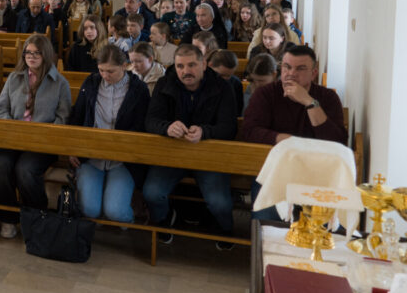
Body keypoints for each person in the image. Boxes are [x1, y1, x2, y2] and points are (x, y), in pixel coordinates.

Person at [143, 44, 238, 248]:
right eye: (180, 66)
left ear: (204, 64)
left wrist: (205, 132)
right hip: (173, 153)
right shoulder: (164, 83)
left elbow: (229, 128)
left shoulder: (222, 87)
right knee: (152, 192)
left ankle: (224, 229)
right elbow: (150, 121)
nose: (186, 71)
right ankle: (165, 219)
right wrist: (167, 128)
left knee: (220, 202)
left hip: (208, 155)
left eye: (192, 65)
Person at [240, 46, 347, 220]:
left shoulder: (327, 97)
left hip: (317, 173)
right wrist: (281, 138)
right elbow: (249, 131)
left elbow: (337, 142)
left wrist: (309, 102)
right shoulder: (265, 94)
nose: (291, 73)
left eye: (300, 69)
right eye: (287, 67)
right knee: (266, 221)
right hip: (274, 171)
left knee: (333, 226)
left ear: (313, 73)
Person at [0, 34, 70, 239]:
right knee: (1, 165)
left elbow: (63, 117)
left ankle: (37, 216)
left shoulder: (60, 83)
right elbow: (1, 108)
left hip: (42, 143)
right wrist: (11, 126)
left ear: (45, 55)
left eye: (36, 53)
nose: (31, 57)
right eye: (28, 52)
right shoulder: (14, 77)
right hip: (14, 138)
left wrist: (44, 135)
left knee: (25, 169)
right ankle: (8, 218)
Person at [68, 44, 149, 224]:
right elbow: (77, 116)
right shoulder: (91, 83)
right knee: (89, 209)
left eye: (111, 71)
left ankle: (130, 216)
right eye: (101, 70)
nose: (105, 76)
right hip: (91, 156)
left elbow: (142, 127)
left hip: (122, 160)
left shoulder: (138, 90)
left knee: (116, 213)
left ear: (124, 66)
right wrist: (72, 148)